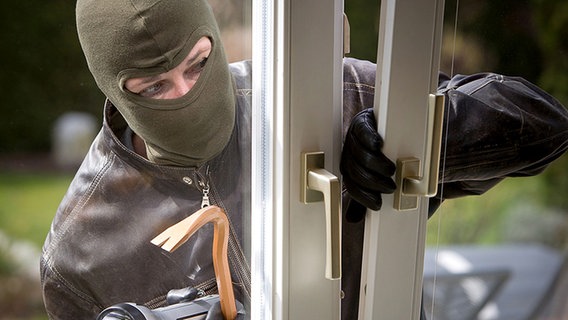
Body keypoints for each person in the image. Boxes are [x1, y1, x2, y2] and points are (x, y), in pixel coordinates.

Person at [40, 0, 568, 319]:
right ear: (115, 90)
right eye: (154, 86)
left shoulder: (313, 98)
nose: (184, 94)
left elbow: (543, 124)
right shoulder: (81, 251)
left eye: (198, 65)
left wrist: (418, 137)